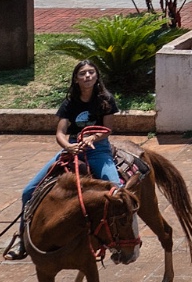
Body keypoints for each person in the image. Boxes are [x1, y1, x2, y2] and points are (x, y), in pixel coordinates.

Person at [9, 60, 123, 257]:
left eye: (91, 72)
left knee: (116, 191)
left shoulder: (105, 99)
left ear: (97, 76)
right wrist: (68, 146)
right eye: (82, 74)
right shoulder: (70, 103)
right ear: (76, 79)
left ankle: (118, 238)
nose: (87, 76)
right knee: (28, 191)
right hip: (72, 149)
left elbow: (108, 129)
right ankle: (22, 238)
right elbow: (60, 133)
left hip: (98, 150)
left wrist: (92, 138)